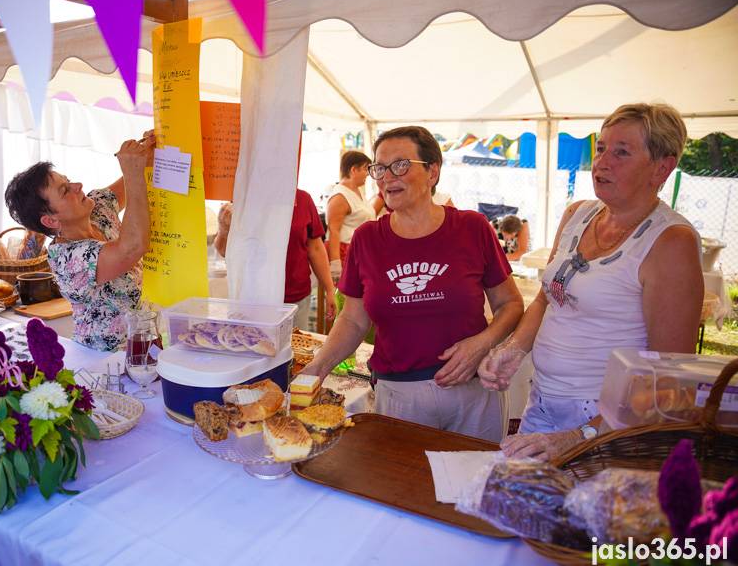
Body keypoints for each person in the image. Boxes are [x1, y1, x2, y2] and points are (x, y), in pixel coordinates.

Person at [479, 102, 704, 460]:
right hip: (544, 404)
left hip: (609, 423)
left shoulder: (670, 242)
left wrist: (582, 434)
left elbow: (669, 380)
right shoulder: (578, 214)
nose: (602, 162)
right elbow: (545, 299)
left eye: (622, 152)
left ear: (663, 167)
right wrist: (514, 349)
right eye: (600, 148)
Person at [299, 126, 523, 442]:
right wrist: (316, 368)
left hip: (472, 391)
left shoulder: (472, 227)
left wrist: (483, 343)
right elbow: (353, 319)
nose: (387, 177)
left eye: (400, 165)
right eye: (379, 167)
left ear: (433, 171)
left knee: (473, 486)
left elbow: (510, 304)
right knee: (399, 486)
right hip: (400, 396)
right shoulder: (367, 238)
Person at [5, 132, 155, 351]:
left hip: (140, 345)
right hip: (102, 359)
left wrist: (147, 150)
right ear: (50, 219)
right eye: (65, 190)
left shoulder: (97, 209)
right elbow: (133, 247)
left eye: (68, 181)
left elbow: (136, 171)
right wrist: (133, 172)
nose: (78, 185)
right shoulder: (67, 258)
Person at [214, 189, 338, 330]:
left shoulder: (303, 199)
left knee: (294, 347)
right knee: (255, 346)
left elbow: (315, 248)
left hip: (296, 299)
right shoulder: (245, 197)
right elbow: (224, 251)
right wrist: (223, 229)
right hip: (254, 299)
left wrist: (329, 289)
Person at [325, 151, 381, 280]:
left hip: (361, 250)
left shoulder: (358, 191)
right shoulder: (340, 196)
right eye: (365, 169)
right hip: (345, 251)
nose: (368, 173)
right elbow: (333, 230)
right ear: (354, 169)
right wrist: (335, 264)